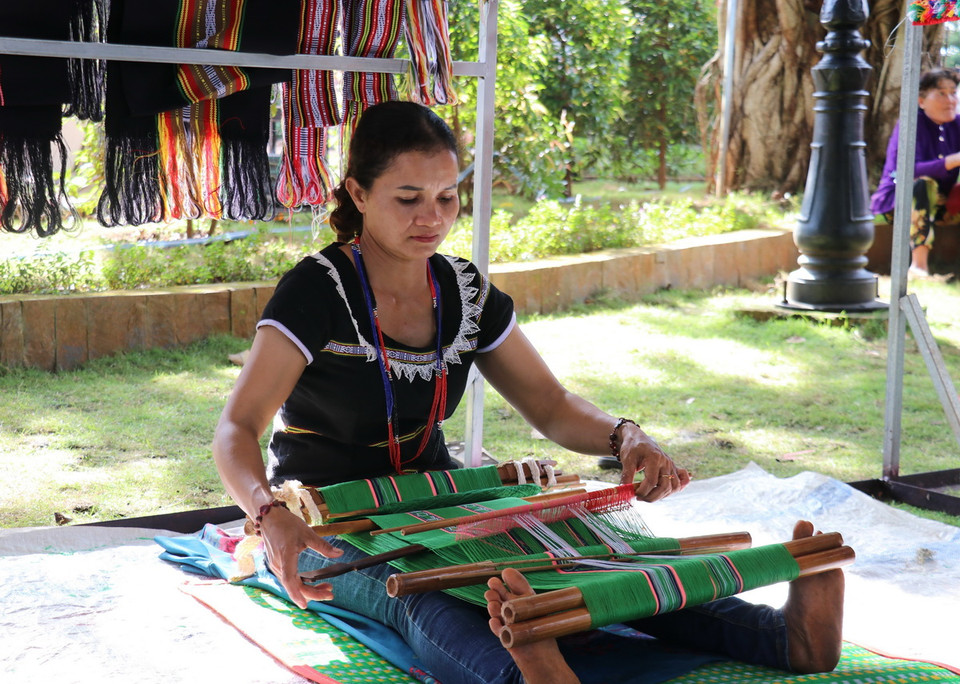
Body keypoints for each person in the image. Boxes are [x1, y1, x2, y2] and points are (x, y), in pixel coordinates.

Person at [212, 100, 844, 684]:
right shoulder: (319, 291)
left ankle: (788, 637)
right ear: (358, 192)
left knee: (591, 555)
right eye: (408, 198)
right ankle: (525, 664)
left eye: (447, 197)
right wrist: (271, 517)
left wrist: (627, 436)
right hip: (328, 518)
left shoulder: (463, 292)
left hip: (443, 500)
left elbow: (549, 403)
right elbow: (235, 429)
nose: (431, 217)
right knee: (422, 590)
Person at [871, 68, 960, 277]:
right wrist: (953, 160)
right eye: (941, 93)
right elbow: (907, 171)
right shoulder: (911, 124)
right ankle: (919, 265)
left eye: (953, 92)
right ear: (921, 101)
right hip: (899, 203)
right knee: (923, 183)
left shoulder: (957, 125)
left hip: (942, 203)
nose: (950, 99)